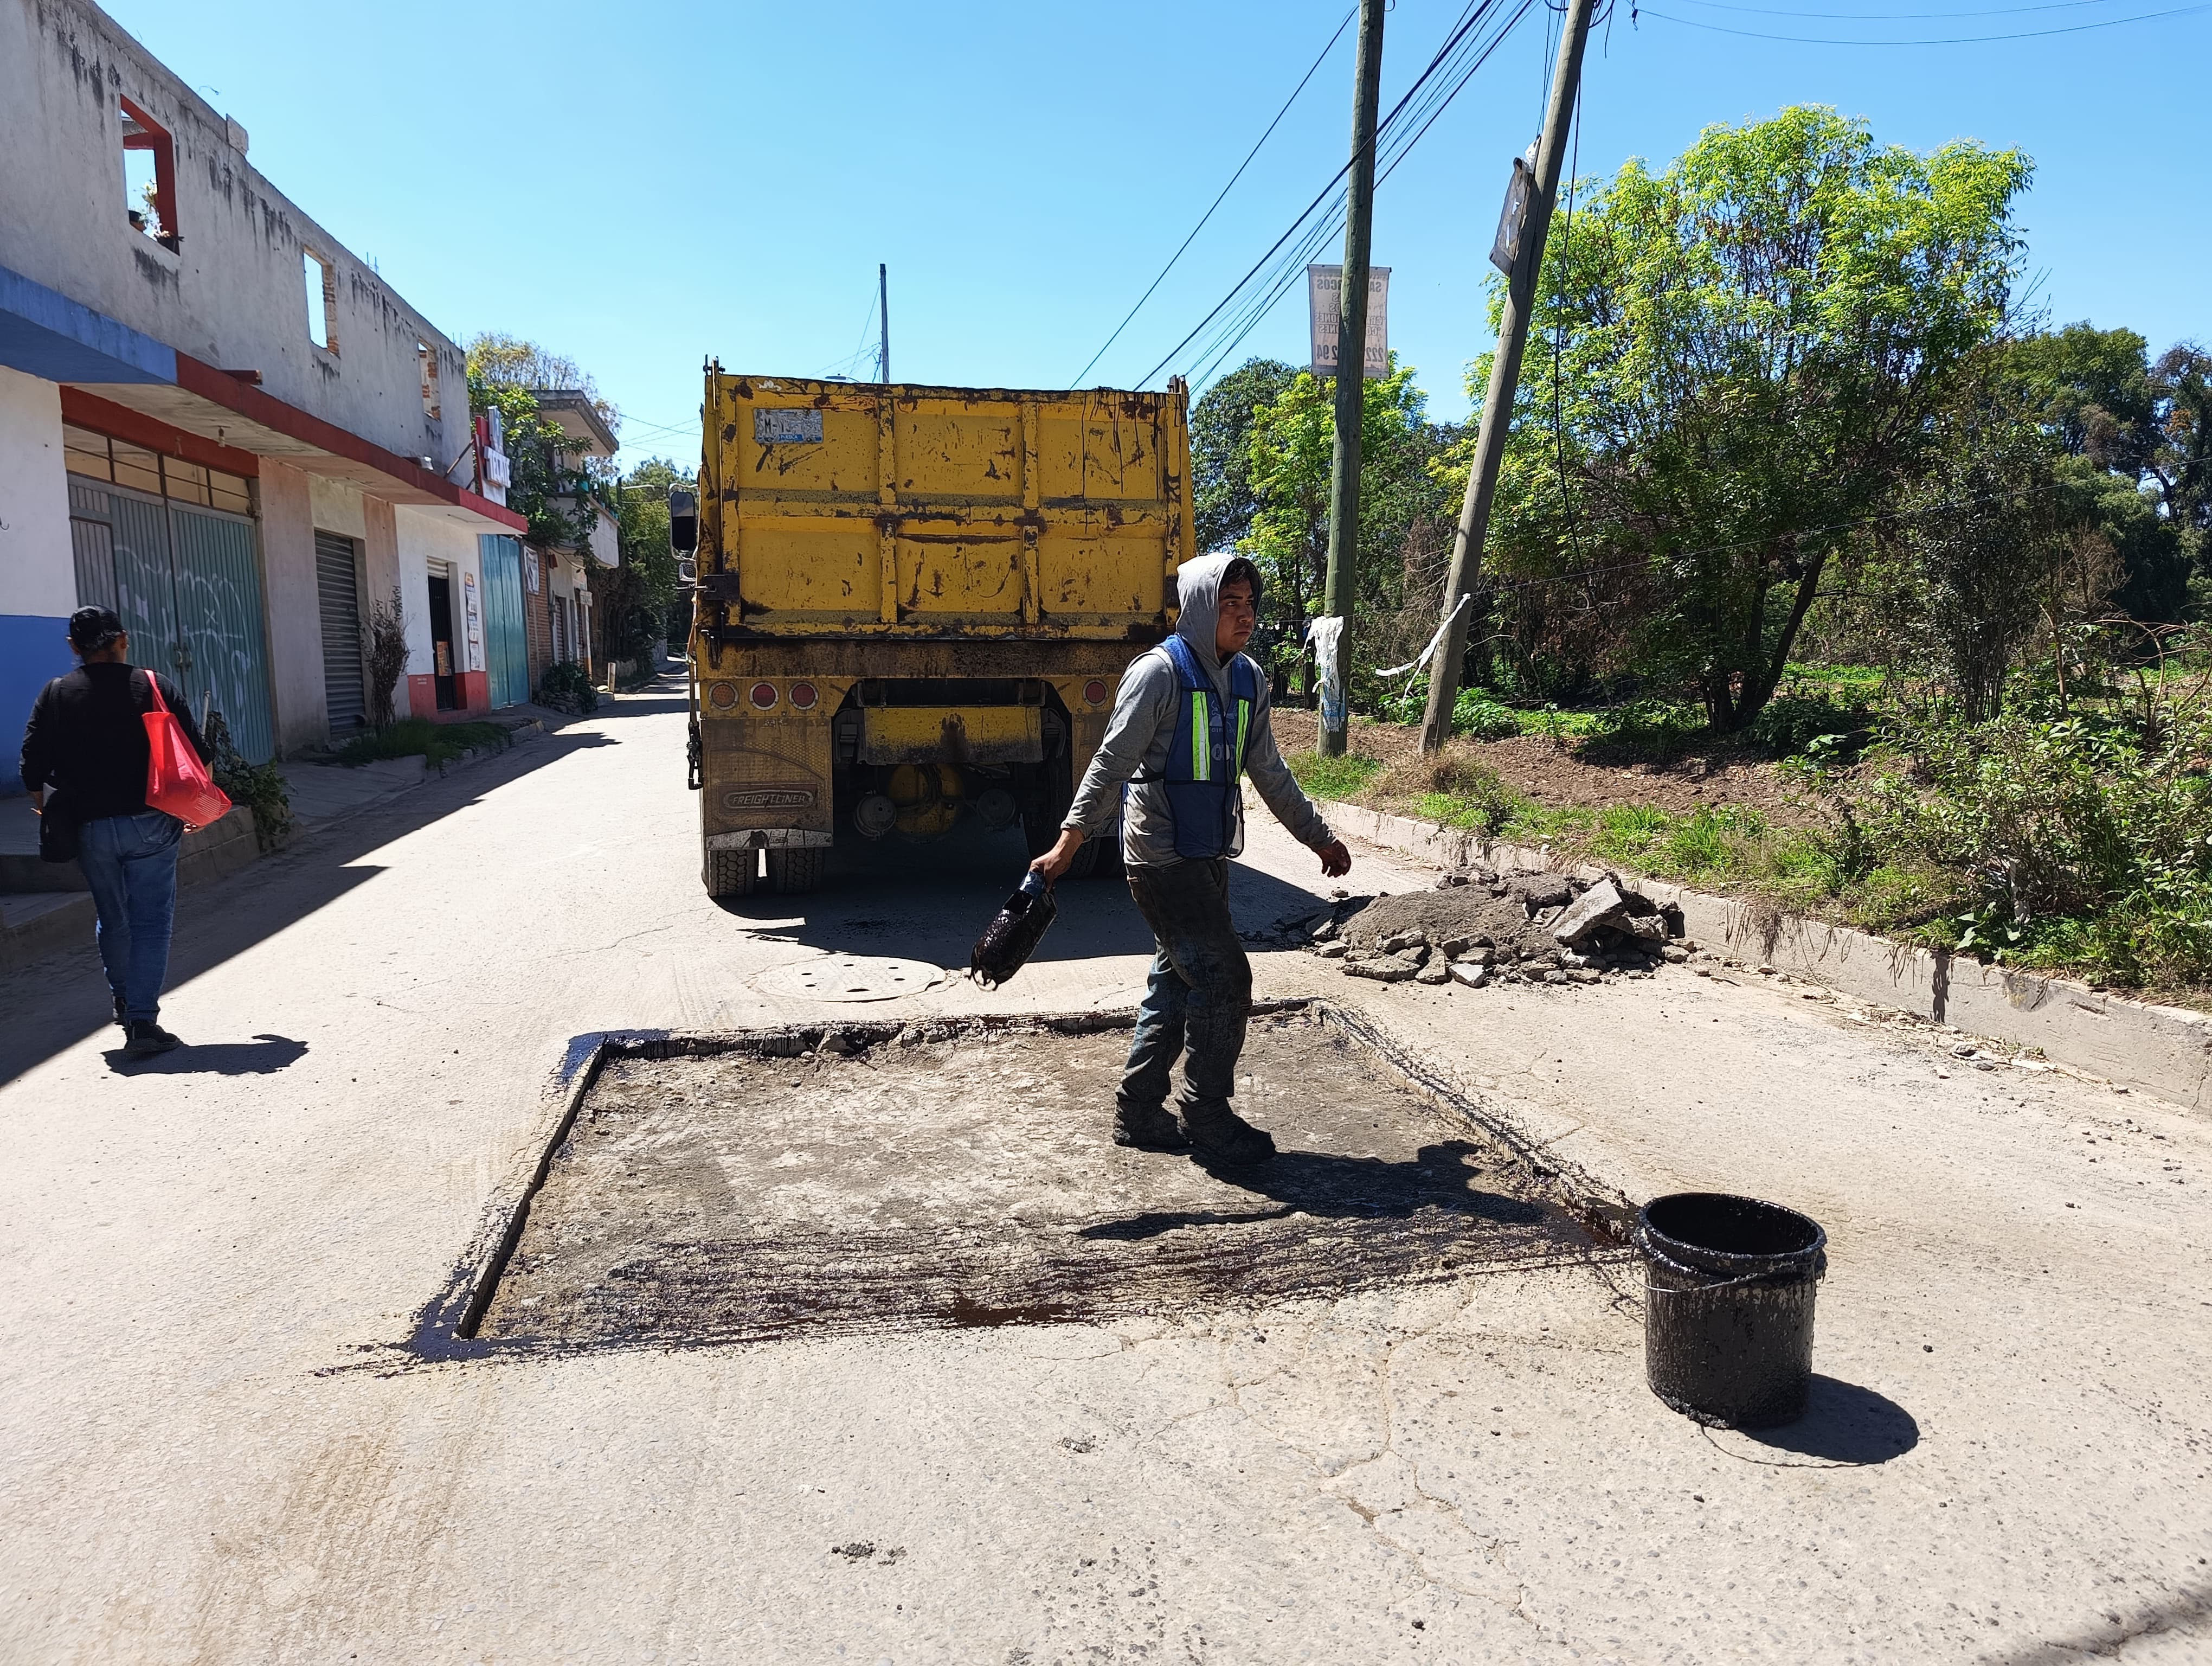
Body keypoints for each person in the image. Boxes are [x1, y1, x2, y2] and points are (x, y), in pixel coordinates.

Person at [1031, 554, 1352, 1166]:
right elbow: (1111, 763)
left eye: (1250, 605)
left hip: (1208, 851)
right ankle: (1206, 1112)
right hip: (1158, 856)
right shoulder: (1158, 674)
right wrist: (1069, 843)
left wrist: (1318, 837)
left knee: (1178, 982)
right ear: (1201, 607)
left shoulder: (1249, 679)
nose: (1244, 616)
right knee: (1226, 977)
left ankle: (1139, 1107)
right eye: (1229, 603)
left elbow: (1269, 771)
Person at [19, 606, 211, 1058]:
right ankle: (142, 1020)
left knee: (113, 916)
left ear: (74, 647)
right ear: (123, 639)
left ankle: (124, 1001)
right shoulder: (153, 685)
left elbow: (32, 767)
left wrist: (43, 807)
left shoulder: (57, 694)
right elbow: (198, 754)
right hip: (151, 822)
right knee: (151, 921)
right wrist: (190, 807)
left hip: (89, 829)